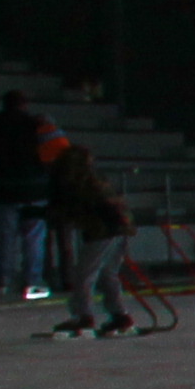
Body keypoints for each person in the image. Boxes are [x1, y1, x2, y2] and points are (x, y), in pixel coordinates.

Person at [43, 134, 131, 339]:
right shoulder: (95, 180)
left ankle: (83, 316)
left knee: (84, 274)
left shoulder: (76, 183)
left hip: (101, 231)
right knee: (107, 274)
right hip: (117, 229)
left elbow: (70, 209)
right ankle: (119, 315)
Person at [0, 91, 44, 303]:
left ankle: (2, 280)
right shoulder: (36, 126)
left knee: (5, 238)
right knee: (33, 238)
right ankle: (32, 281)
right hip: (34, 190)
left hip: (4, 191)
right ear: (25, 104)